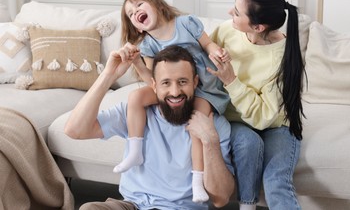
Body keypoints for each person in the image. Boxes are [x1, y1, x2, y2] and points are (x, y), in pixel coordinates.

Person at [64, 45, 235, 210]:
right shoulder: (136, 113)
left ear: (195, 82)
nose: (175, 92)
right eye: (166, 83)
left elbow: (220, 199)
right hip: (133, 205)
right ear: (154, 84)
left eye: (182, 82)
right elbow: (75, 130)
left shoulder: (214, 125)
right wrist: (108, 75)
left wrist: (210, 140)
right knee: (90, 208)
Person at [113, 0, 231, 203]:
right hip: (172, 89)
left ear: (158, 5)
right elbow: (153, 81)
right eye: (131, 13)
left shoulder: (186, 23)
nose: (136, 11)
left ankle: (197, 181)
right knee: (136, 97)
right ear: (137, 27)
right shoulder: (148, 45)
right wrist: (137, 63)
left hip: (205, 89)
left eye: (139, 4)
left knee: (198, 122)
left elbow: (207, 44)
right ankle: (135, 151)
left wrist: (217, 52)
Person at [208, 0, 305, 210]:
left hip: (276, 124)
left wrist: (231, 80)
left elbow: (263, 117)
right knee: (249, 143)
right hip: (237, 121)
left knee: (276, 181)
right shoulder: (226, 30)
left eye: (237, 12)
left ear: (259, 26)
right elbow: (199, 58)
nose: (230, 13)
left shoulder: (284, 56)